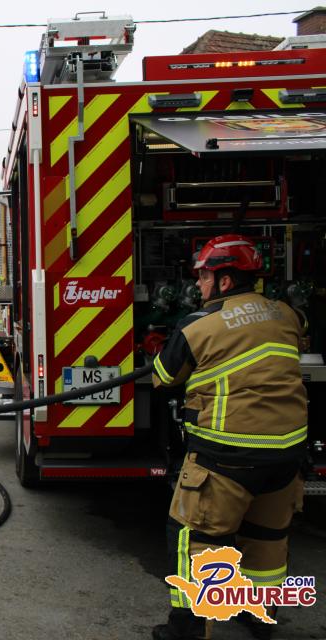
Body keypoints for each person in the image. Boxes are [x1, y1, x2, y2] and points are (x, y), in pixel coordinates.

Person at [150, 234, 307, 640]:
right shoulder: (287, 315)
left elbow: (163, 377)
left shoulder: (198, 325)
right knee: (267, 537)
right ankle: (259, 614)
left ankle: (187, 628)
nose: (198, 284)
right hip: (286, 456)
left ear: (224, 280)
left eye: (203, 276)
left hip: (225, 457)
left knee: (193, 535)